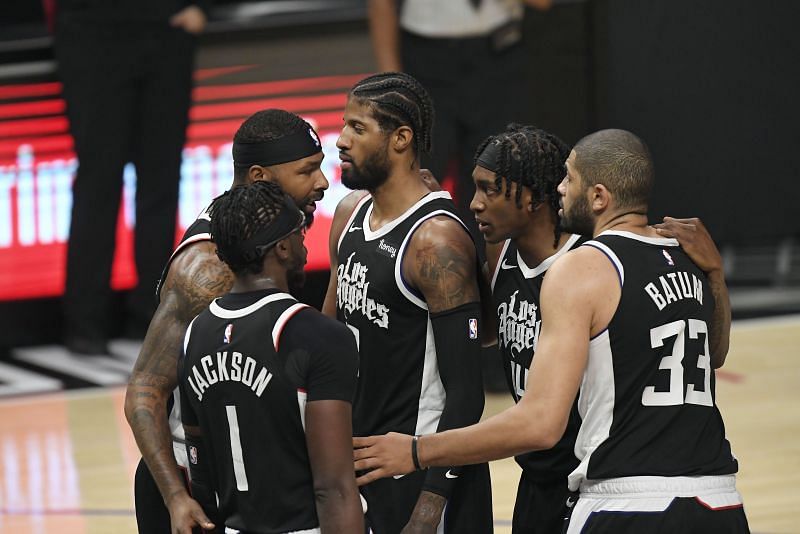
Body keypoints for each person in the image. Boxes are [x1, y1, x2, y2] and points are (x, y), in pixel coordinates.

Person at [353, 129, 749, 533]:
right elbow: (713, 354)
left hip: (615, 488)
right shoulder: (680, 254)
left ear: (597, 197)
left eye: (569, 179)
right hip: (717, 497)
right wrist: (715, 274)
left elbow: (539, 424)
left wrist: (419, 451)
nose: (560, 187)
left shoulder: (583, 267)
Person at [124, 109, 329, 534]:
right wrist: (176, 498)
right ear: (259, 177)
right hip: (195, 483)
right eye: (307, 171)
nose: (322, 183)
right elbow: (144, 392)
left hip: (250, 475)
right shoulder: (210, 269)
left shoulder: (266, 236)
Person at [322, 72, 493, 533]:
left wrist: (430, 506)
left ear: (401, 139)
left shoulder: (435, 242)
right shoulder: (348, 215)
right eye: (344, 125)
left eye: (358, 128)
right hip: (359, 465)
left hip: (421, 471)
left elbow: (466, 395)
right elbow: (328, 344)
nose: (340, 140)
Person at [179, 180, 363, 533]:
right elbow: (333, 488)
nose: (304, 240)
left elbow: (199, 472)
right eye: (299, 232)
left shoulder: (194, 335)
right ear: (281, 248)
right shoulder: (316, 334)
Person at [54, 0, 210, 353]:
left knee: (161, 182)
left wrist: (202, 6)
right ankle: (84, 322)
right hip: (93, 32)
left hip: (167, 30)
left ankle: (152, 316)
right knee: (98, 182)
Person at [367, 0, 552, 249]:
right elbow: (381, 5)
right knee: (410, 181)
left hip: (500, 58)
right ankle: (396, 275)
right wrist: (393, 85)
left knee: (498, 188)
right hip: (424, 59)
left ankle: (489, 280)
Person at [470, 124, 582, 533]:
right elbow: (487, 331)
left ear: (533, 198)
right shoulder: (499, 251)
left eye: (489, 190)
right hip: (536, 476)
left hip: (589, 478)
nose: (476, 204)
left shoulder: (588, 262)